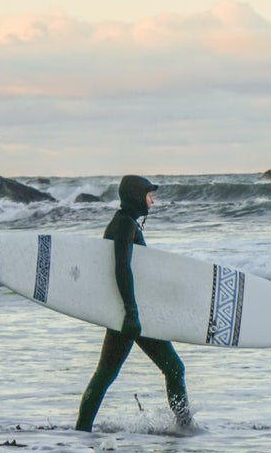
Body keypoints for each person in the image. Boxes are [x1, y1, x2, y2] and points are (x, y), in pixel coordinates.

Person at [77, 175, 194, 433]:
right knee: (171, 368)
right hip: (129, 314)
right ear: (134, 197)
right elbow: (121, 268)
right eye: (148, 195)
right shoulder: (123, 226)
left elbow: (136, 271)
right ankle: (185, 427)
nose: (151, 202)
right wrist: (130, 313)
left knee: (107, 374)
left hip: (131, 311)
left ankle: (81, 431)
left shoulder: (127, 223)